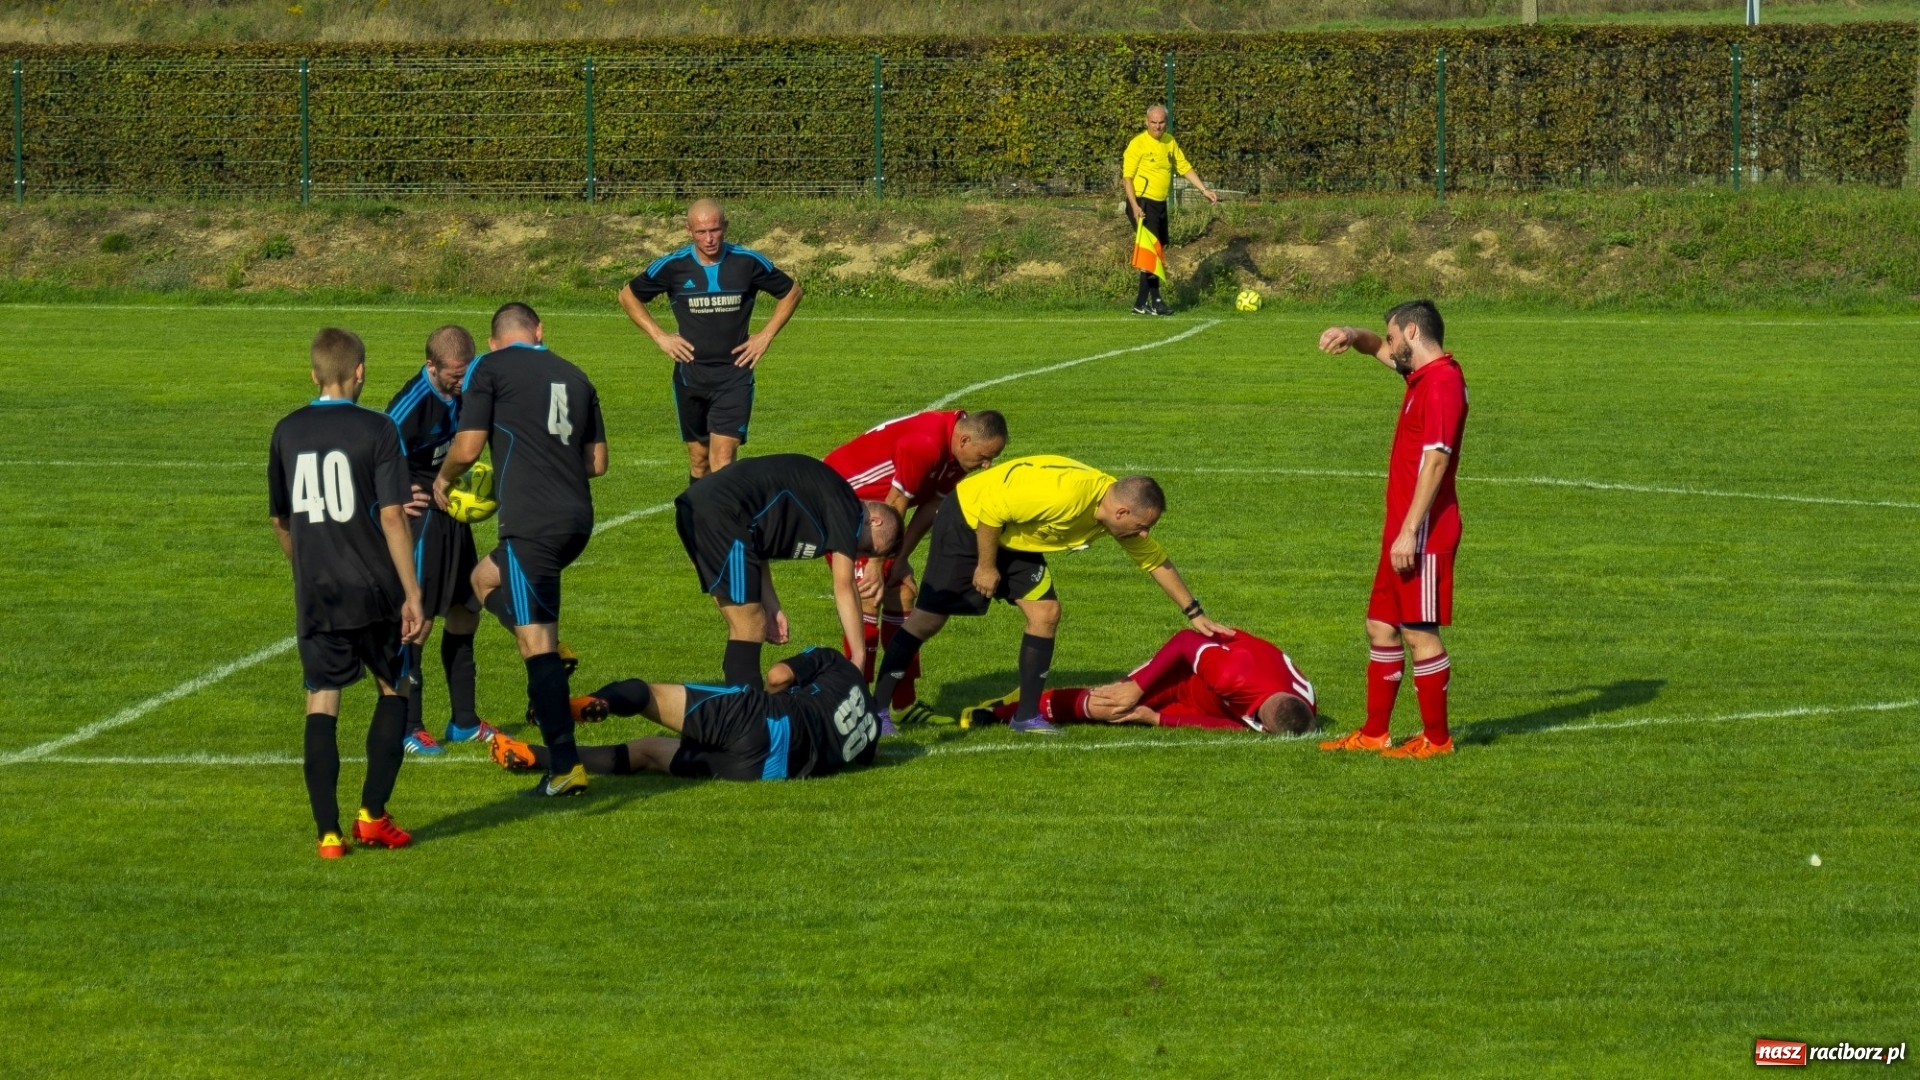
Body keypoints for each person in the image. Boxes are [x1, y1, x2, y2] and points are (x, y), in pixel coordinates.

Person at [871, 454, 1230, 735]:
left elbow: (1155, 561)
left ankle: (1026, 717)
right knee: (928, 621)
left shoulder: (1114, 514)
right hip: (971, 519)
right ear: (1121, 511)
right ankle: (877, 711)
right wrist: (985, 566)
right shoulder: (1063, 496)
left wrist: (1194, 612)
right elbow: (992, 512)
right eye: (1141, 527)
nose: (1142, 536)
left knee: (1046, 613)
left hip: (1016, 533)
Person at [434, 303, 608, 796]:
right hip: (577, 520)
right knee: (482, 579)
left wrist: (445, 480)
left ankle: (566, 767)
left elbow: (468, 447)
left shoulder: (489, 367)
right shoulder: (577, 375)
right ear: (538, 332)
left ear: (492, 343)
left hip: (532, 525)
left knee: (537, 647)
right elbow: (597, 462)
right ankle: (555, 651)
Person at [268, 327, 428, 859]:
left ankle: (328, 834)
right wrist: (412, 592)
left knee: (322, 698)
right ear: (360, 372)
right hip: (373, 588)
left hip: (317, 592)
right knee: (393, 690)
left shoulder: (286, 430)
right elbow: (391, 515)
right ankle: (373, 816)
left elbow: (281, 519)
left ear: (314, 375)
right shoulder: (379, 429)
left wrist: (306, 568)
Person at [1315, 299, 1468, 759]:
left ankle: (1437, 740)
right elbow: (1372, 349)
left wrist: (1408, 532)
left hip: (1422, 532)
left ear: (1414, 334)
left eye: (1394, 336)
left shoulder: (1442, 384)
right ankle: (1375, 733)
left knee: (1419, 632)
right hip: (1401, 530)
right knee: (1380, 626)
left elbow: (1437, 460)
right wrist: (1349, 331)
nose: (1389, 344)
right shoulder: (1420, 374)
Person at [821, 409, 1008, 720]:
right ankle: (859, 702)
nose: (987, 464)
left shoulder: (957, 455)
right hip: (840, 507)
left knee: (903, 592)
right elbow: (896, 503)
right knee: (869, 595)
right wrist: (877, 564)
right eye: (986, 456)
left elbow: (932, 505)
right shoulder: (924, 445)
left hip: (877, 519)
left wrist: (900, 558)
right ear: (964, 440)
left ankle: (902, 704)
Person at [674, 453, 902, 691]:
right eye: (868, 548)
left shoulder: (825, 507)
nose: (858, 555)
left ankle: (742, 709)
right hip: (721, 512)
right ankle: (747, 718)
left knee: (747, 623)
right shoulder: (849, 509)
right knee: (749, 624)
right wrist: (858, 658)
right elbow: (844, 585)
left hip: (703, 509)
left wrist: (771, 604)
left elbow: (758, 546)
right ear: (874, 521)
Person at [487, 647, 879, 783]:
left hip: (763, 719)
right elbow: (860, 754)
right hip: (765, 770)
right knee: (647, 752)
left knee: (645, 694)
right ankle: (533, 755)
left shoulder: (837, 663)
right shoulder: (871, 728)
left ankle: (576, 706)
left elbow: (778, 676)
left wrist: (778, 697)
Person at [619, 198, 803, 483]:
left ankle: (727, 525)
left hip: (735, 375)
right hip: (690, 376)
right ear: (688, 231)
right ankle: (700, 524)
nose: (709, 238)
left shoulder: (747, 262)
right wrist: (660, 336)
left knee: (723, 458)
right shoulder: (672, 266)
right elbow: (627, 296)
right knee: (699, 461)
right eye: (701, 232)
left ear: (725, 227)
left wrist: (765, 336)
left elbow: (792, 292)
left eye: (715, 230)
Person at [385, 324, 496, 755]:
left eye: (466, 371)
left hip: (452, 513)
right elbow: (371, 456)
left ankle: (464, 721)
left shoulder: (470, 387)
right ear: (431, 365)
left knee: (466, 609)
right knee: (419, 620)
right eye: (453, 373)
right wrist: (392, 495)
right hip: (422, 521)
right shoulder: (408, 406)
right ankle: (408, 724)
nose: (461, 380)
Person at [970, 628, 1316, 735]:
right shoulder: (1233, 676)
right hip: (1183, 677)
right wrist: (1136, 688)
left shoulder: (1300, 708)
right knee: (1110, 706)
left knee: (1131, 713)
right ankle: (1008, 710)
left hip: (1209, 698)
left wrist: (1159, 719)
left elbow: (1233, 727)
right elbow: (1184, 641)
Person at [1122, 103, 1217, 316]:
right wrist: (1135, 206)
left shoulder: (1169, 142)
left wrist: (1204, 190)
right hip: (1142, 203)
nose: (1157, 127)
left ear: (1166, 122)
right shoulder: (1138, 144)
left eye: (1161, 122)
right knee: (1152, 251)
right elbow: (1127, 178)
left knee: (1156, 250)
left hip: (1159, 203)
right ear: (1146, 122)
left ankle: (1140, 304)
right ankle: (1156, 301)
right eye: (1153, 123)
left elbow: (1184, 167)